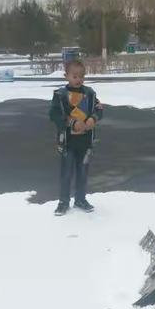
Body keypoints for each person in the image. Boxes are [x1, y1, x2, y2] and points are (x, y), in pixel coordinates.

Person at [49, 60, 103, 216]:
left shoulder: (90, 94)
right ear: (66, 76)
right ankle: (63, 202)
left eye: (81, 76)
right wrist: (71, 123)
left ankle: (80, 199)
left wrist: (94, 118)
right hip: (67, 143)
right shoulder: (60, 95)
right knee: (66, 173)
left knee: (82, 172)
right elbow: (54, 115)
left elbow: (99, 109)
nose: (78, 79)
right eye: (74, 76)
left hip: (85, 143)